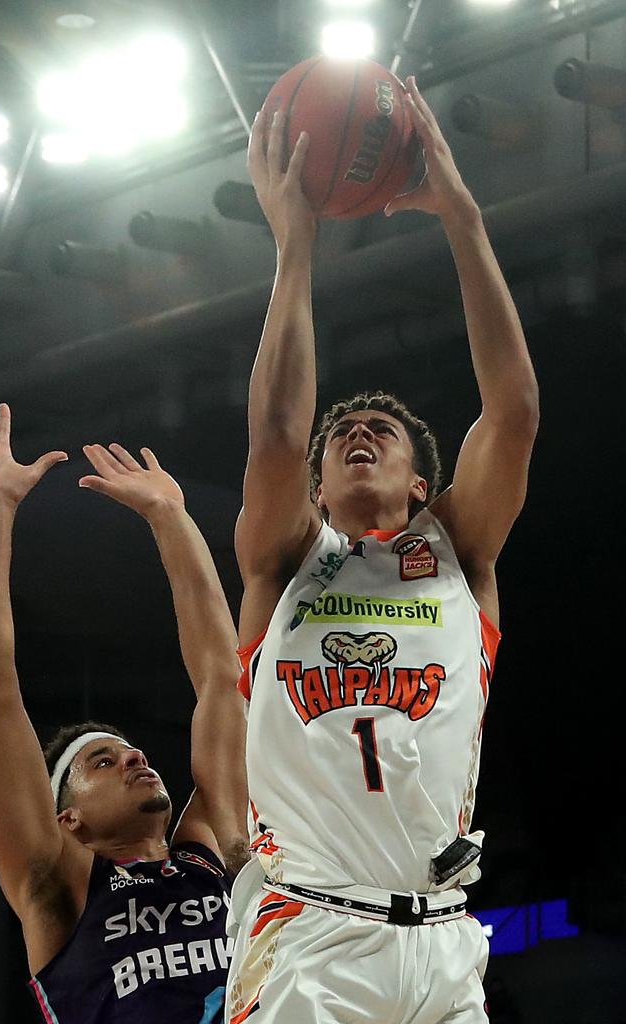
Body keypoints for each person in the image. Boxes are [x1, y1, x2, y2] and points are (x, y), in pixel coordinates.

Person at [226, 77, 539, 1024]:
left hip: (445, 945)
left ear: (421, 483)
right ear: (318, 489)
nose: (356, 430)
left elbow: (515, 413)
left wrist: (463, 216)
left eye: (382, 431)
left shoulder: (459, 552)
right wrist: (296, 247)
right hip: (310, 941)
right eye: (342, 433)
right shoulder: (285, 558)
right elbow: (277, 434)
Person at [0, 395, 248, 1024]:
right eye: (102, 762)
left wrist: (171, 517)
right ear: (67, 819)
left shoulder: (210, 850)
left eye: (127, 750)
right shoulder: (57, 884)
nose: (134, 754)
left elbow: (222, 680)